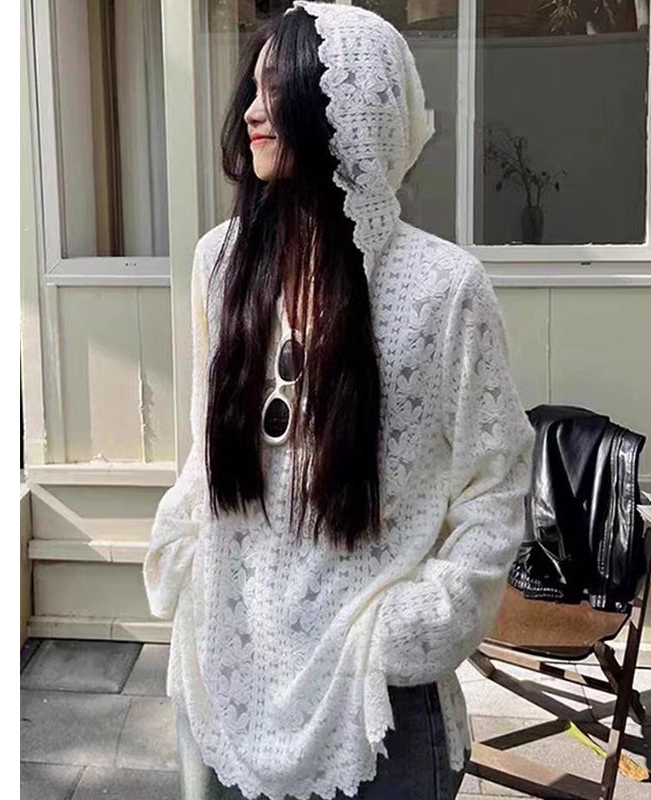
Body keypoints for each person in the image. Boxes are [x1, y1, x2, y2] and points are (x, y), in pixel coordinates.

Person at [143, 3, 536, 799]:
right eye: (251, 90)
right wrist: (186, 557)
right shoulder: (218, 265)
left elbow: (496, 486)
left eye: (276, 90)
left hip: (373, 709)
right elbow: (204, 450)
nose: (251, 112)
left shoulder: (442, 288)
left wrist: (410, 631)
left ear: (347, 111)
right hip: (225, 685)